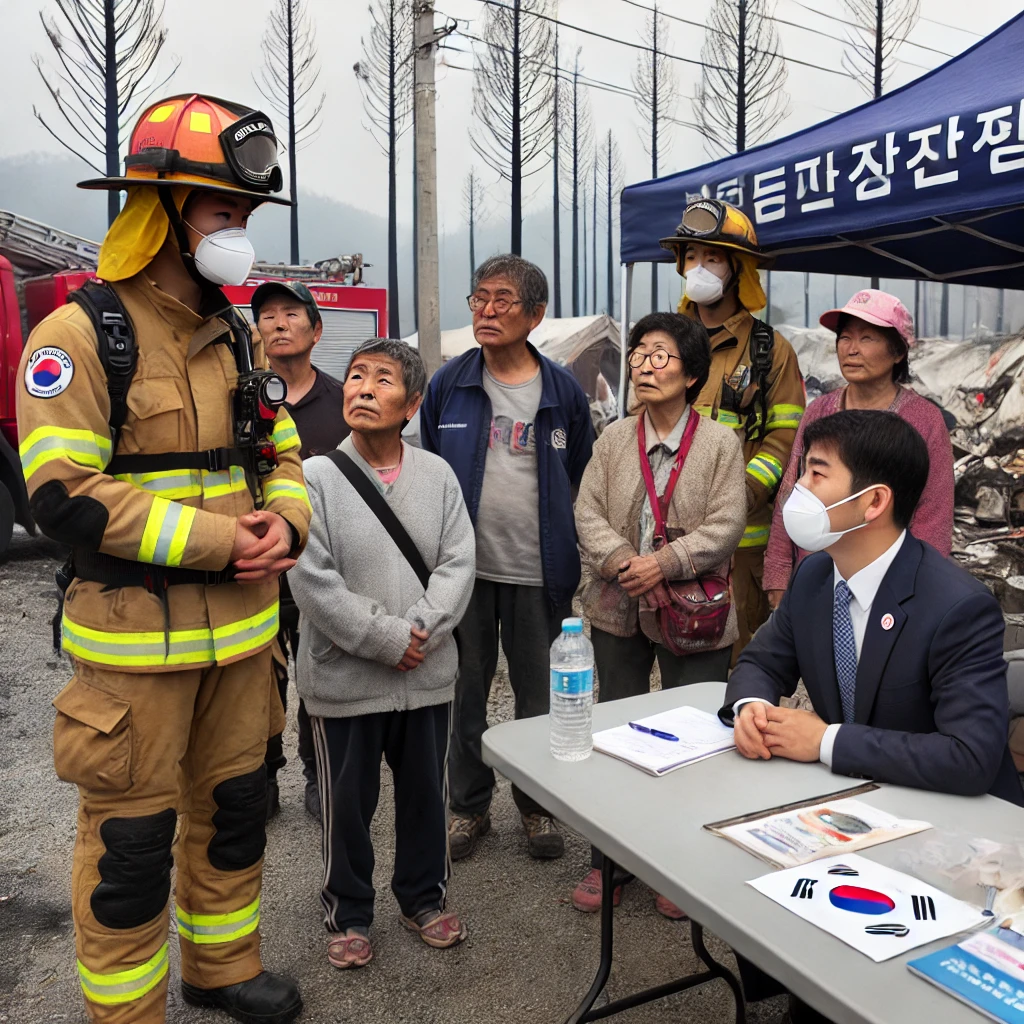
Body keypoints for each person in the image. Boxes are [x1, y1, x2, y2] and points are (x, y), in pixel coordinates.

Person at [16, 95, 311, 1023]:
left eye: (246, 216)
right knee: (131, 847)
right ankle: (126, 1012)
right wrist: (230, 541)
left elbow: (286, 455)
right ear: (166, 212)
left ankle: (222, 970)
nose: (241, 235)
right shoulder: (77, 336)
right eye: (225, 213)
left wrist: (289, 527)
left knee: (233, 816)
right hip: (134, 651)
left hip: (243, 647)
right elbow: (60, 491)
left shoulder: (234, 340)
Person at [722, 409, 1023, 1024]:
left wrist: (825, 740)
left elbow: (969, 758)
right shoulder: (814, 577)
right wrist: (752, 707)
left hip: (956, 840)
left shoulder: (955, 606)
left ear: (873, 501)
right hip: (861, 811)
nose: (796, 490)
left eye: (815, 472)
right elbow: (760, 661)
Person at [289, 339, 475, 968]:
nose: (363, 388)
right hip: (346, 678)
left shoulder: (438, 476)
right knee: (347, 803)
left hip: (426, 674)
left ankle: (424, 897)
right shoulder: (313, 478)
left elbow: (458, 565)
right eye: (357, 376)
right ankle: (349, 911)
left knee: (426, 793)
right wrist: (387, 638)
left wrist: (421, 631)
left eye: (383, 379)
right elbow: (311, 579)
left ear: (412, 403)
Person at [420, 254, 594, 862]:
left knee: (536, 697)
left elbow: (579, 475)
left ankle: (537, 806)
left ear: (535, 314)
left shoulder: (562, 390)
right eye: (478, 298)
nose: (486, 311)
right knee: (464, 693)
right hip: (465, 572)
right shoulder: (449, 384)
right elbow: (434, 471)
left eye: (502, 300)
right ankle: (468, 808)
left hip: (539, 573)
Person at [572, 311, 746, 916]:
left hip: (693, 611)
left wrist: (665, 562)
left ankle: (679, 864)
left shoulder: (721, 443)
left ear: (693, 373)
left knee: (693, 737)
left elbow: (728, 524)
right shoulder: (614, 439)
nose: (645, 365)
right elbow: (587, 510)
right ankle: (610, 862)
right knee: (617, 735)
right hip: (618, 601)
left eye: (661, 354)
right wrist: (625, 559)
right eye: (640, 353)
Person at [660, 198, 804, 663]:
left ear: (739, 270)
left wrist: (737, 500)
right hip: (668, 535)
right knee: (672, 655)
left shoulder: (771, 352)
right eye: (693, 257)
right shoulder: (665, 343)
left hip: (741, 548)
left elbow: (786, 440)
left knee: (737, 664)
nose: (699, 267)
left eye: (714, 257)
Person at [764, 289, 954, 605]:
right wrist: (778, 575)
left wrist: (911, 590)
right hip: (816, 578)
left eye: (867, 339)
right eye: (845, 338)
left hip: (886, 586)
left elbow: (933, 515)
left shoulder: (924, 420)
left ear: (897, 352)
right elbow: (791, 495)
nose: (851, 350)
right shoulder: (819, 412)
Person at [254, 279, 349, 823]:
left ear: (317, 330)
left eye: (291, 314)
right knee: (258, 684)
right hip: (258, 571)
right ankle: (262, 778)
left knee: (320, 677)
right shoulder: (240, 398)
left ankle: (319, 775)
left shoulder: (342, 403)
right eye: (267, 316)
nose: (278, 324)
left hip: (323, 571)